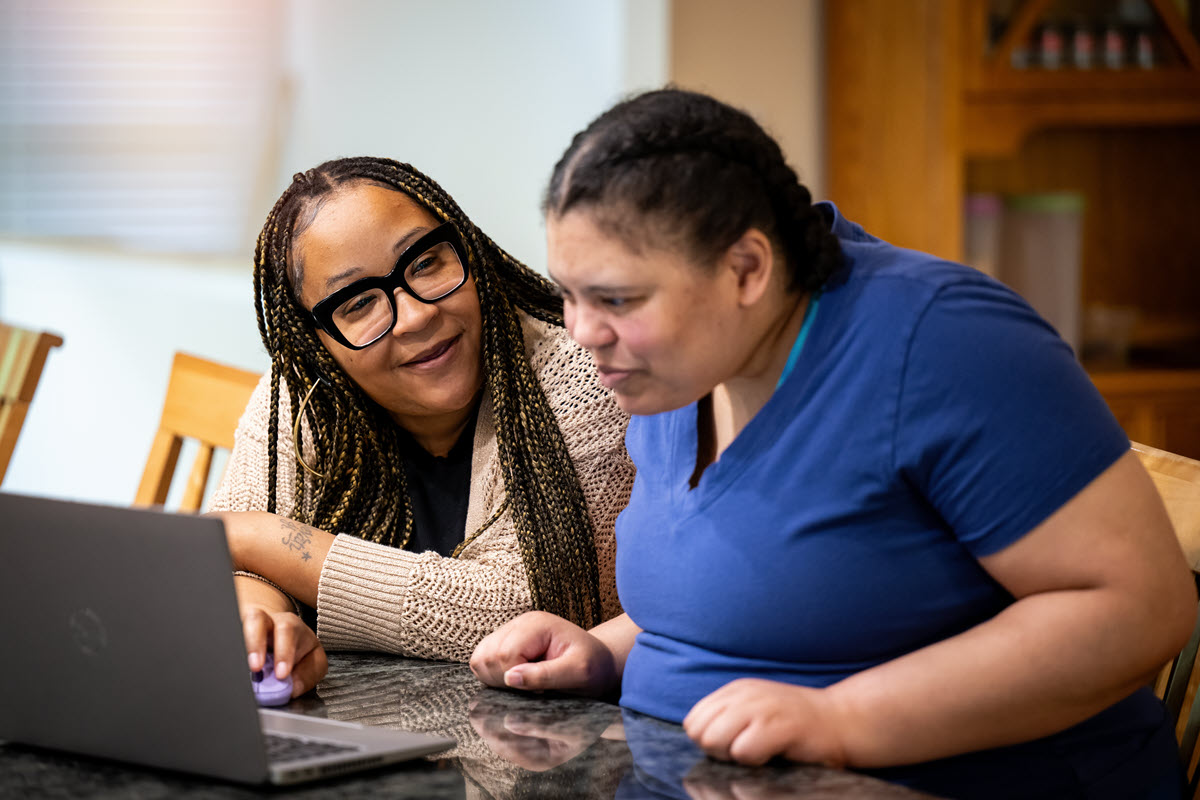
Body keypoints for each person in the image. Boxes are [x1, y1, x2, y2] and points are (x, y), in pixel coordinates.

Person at [469, 89, 1197, 798]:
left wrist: (844, 720)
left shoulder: (945, 340)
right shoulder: (672, 367)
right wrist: (609, 653)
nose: (581, 331)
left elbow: (1140, 608)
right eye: (570, 293)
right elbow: (765, 596)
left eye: (617, 299)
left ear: (746, 269)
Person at [207, 156, 634, 698]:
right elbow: (235, 561)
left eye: (426, 262)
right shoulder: (306, 390)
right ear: (319, 345)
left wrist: (261, 538)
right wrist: (267, 623)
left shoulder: (583, 372)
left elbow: (521, 609)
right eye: (358, 302)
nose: (414, 315)